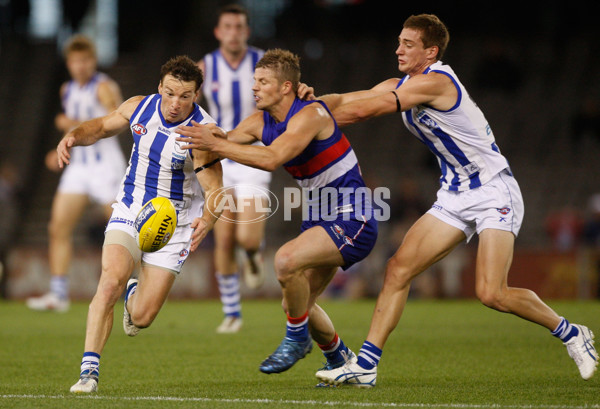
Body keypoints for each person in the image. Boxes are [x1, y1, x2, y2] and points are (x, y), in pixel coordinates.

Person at [312, 14, 598, 387]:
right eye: (399, 41)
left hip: (494, 190)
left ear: (430, 51)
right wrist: (308, 104)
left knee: (491, 293)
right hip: (455, 194)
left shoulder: (437, 82)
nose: (398, 49)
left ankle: (572, 333)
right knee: (398, 268)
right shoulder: (404, 83)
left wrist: (308, 120)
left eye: (408, 44)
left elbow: (364, 110)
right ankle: (365, 367)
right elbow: (349, 99)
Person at [176, 49, 378, 377]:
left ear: (286, 87)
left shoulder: (310, 115)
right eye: (253, 81)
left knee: (285, 261)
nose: (254, 88)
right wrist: (191, 134)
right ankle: (342, 361)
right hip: (319, 217)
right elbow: (224, 139)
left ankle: (296, 341)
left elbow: (271, 158)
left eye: (262, 81)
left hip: (353, 215)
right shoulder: (259, 122)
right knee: (296, 305)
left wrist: (216, 145)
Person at [63, 55, 224, 393]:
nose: (175, 103)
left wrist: (207, 219)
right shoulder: (139, 107)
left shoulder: (202, 135)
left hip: (174, 224)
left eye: (184, 96)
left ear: (197, 95)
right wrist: (74, 136)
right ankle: (88, 372)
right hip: (131, 207)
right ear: (159, 87)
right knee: (109, 283)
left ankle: (134, 293)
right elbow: (103, 126)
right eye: (169, 93)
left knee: (142, 318)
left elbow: (215, 190)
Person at [26, 35, 126, 312]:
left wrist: (71, 123)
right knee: (58, 227)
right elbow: (69, 130)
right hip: (79, 168)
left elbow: (117, 121)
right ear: (69, 63)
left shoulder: (104, 87)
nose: (80, 66)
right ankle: (58, 294)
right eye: (75, 61)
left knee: (123, 231)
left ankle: (136, 286)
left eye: (85, 60)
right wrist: (57, 148)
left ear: (93, 61)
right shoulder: (67, 89)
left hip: (106, 167)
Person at [197, 4, 271, 334]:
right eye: (227, 26)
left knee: (247, 236)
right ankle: (232, 312)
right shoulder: (206, 66)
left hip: (255, 154)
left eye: (239, 26)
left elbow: (286, 95)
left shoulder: (264, 62)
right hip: (222, 158)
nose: (234, 32)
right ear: (218, 31)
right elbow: (188, 104)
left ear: (247, 31)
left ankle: (253, 254)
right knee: (224, 237)